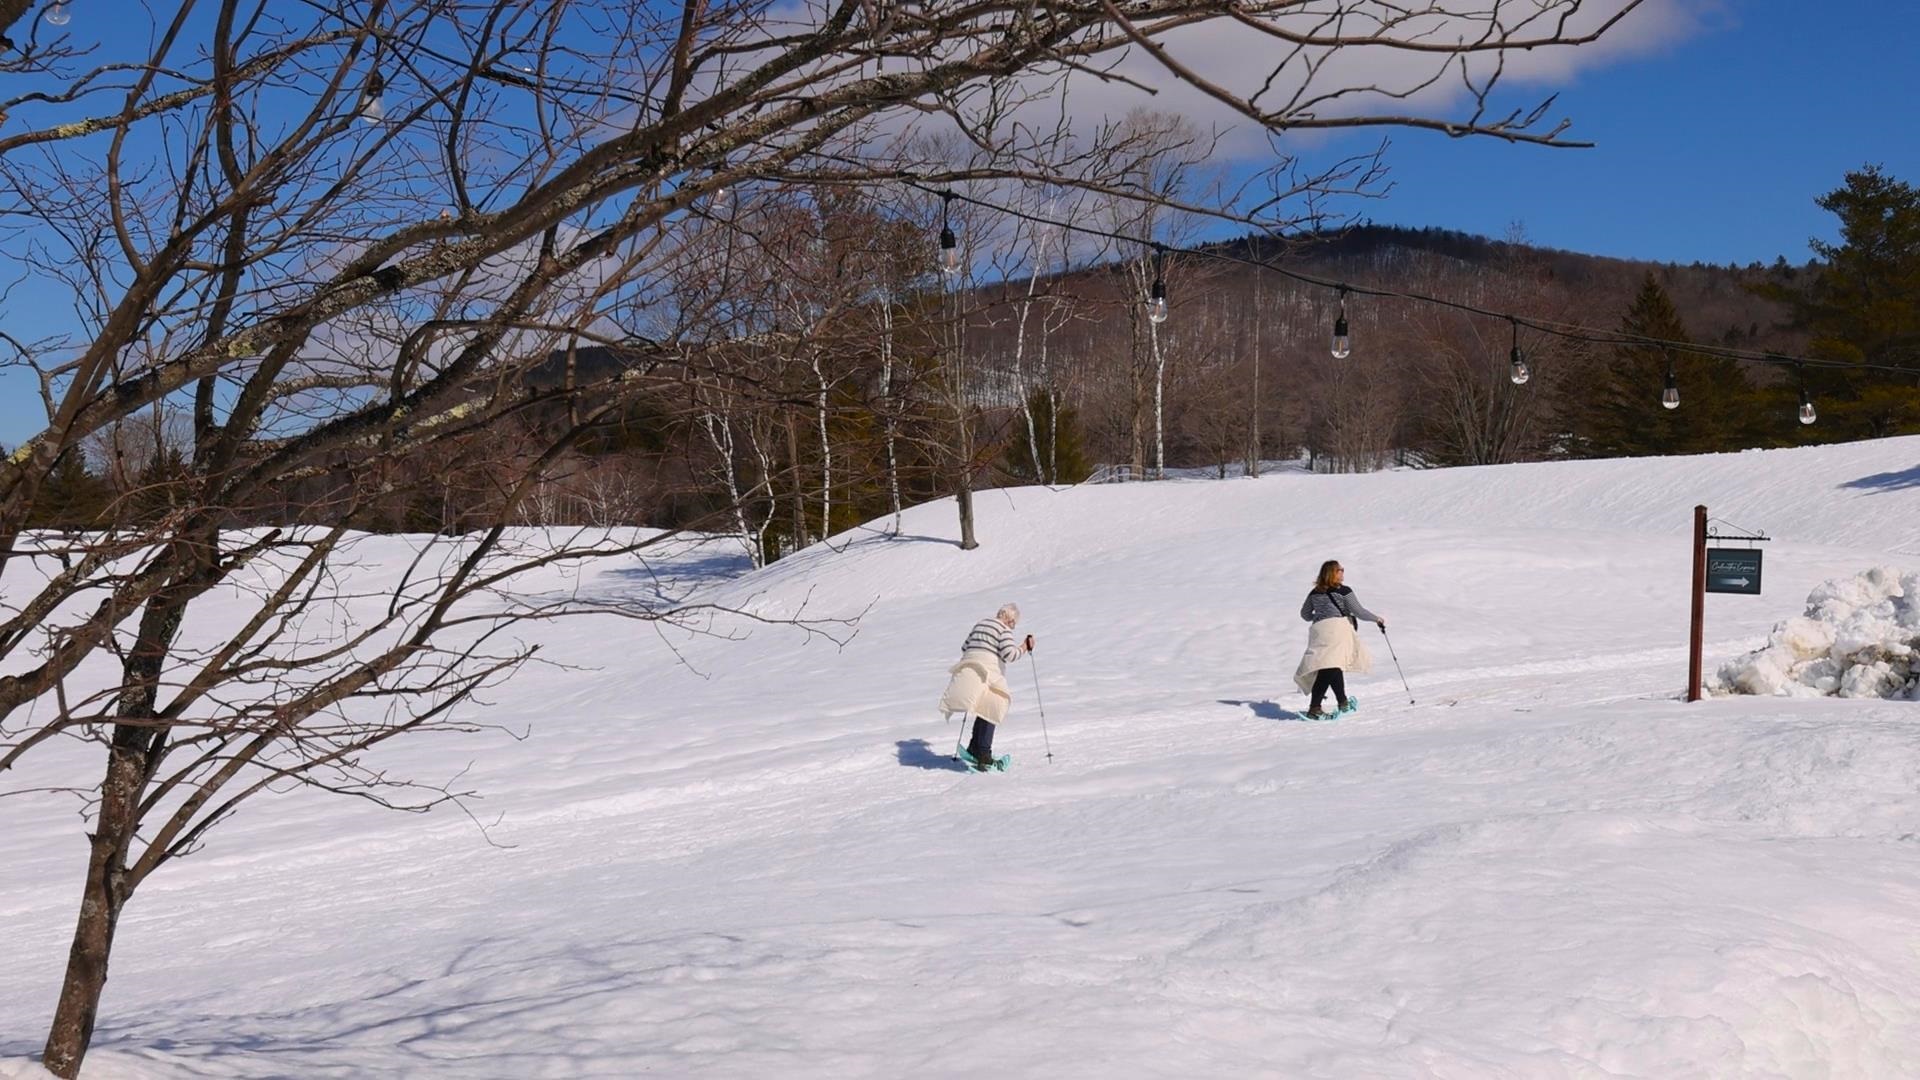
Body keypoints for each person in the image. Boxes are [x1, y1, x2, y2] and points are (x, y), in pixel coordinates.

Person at [938, 603, 1034, 770]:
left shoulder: (980, 623)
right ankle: (984, 754)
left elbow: (964, 647)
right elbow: (1010, 655)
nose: (1013, 627)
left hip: (971, 670)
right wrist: (1025, 646)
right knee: (993, 708)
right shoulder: (1003, 630)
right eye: (1014, 624)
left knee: (983, 709)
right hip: (990, 674)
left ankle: (975, 747)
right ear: (1010, 620)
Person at [1293, 560, 1386, 719]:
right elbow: (1359, 611)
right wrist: (1376, 619)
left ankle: (1343, 703)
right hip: (1337, 630)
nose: (1343, 572)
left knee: (1332, 664)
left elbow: (1305, 615)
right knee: (1329, 668)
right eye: (1340, 570)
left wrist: (1321, 616)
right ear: (1332, 573)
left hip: (1320, 632)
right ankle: (1314, 709)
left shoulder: (1315, 592)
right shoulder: (1344, 591)